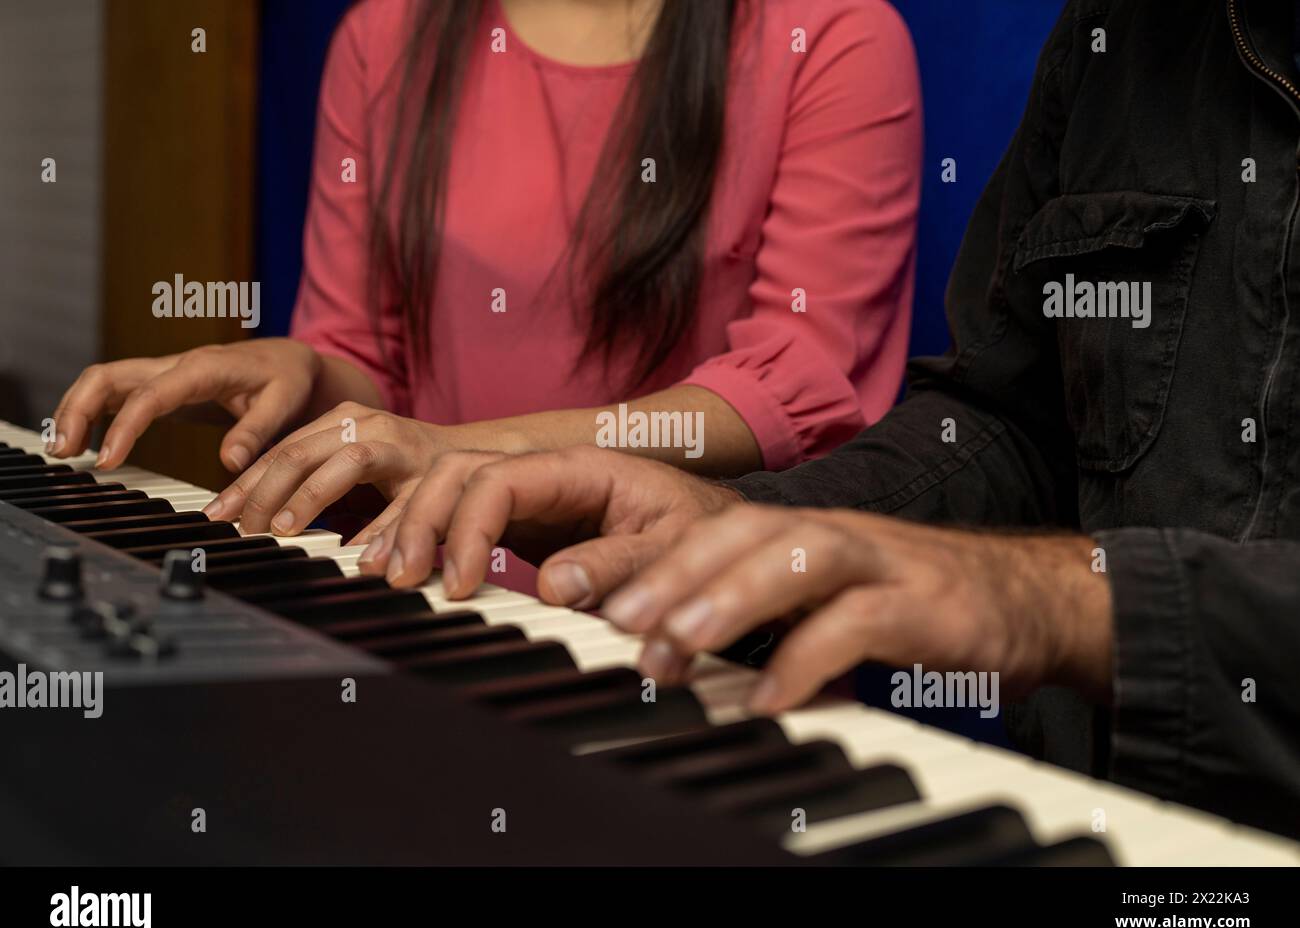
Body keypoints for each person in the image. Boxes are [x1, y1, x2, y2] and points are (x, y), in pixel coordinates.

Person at [360, 0, 1300, 840]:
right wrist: (757, 524)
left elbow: (803, 372)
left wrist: (1056, 600)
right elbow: (1011, 423)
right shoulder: (1123, 33)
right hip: (1103, 826)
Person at [46, 0, 921, 542]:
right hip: (428, 586)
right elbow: (370, 361)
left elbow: (790, 393)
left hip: (694, 614)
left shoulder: (834, 35)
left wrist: (466, 450)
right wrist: (304, 372)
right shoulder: (381, 35)